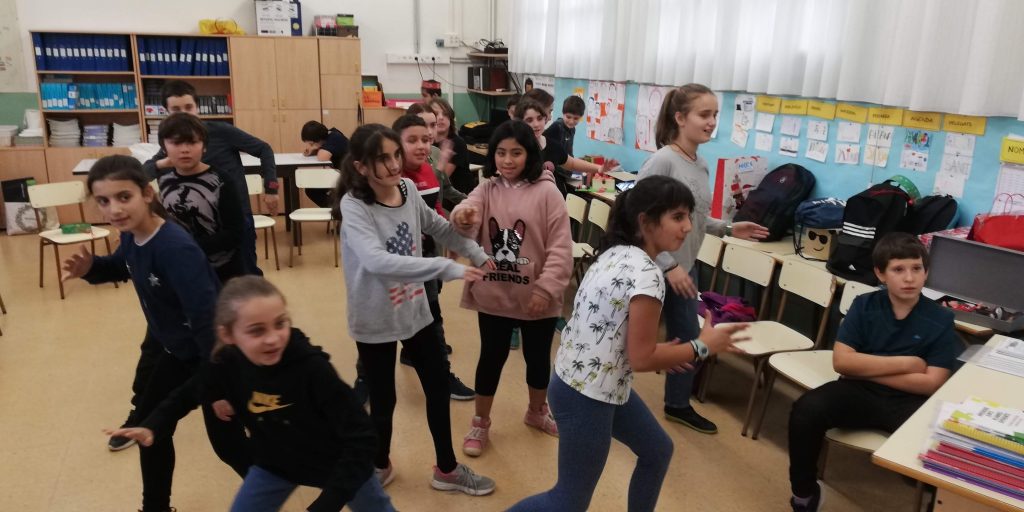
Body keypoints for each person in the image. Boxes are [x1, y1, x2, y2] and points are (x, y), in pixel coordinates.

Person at [508, 176, 748, 512]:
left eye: (689, 217)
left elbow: (624, 340)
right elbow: (642, 357)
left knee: (657, 450)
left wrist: (670, 354)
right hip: (587, 395)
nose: (687, 227)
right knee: (568, 501)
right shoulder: (648, 275)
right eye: (677, 217)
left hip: (589, 382)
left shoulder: (616, 252)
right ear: (646, 222)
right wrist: (703, 345)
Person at [109, 276, 397, 512]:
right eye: (257, 331)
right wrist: (153, 425)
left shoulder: (312, 369)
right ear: (228, 335)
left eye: (280, 323)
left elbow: (363, 437)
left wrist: (325, 505)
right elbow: (188, 393)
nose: (272, 338)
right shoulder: (225, 363)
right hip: (275, 463)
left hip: (338, 462)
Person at [63, 155, 249, 512]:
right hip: (178, 352)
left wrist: (219, 389)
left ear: (147, 194)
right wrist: (92, 268)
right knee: (150, 429)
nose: (115, 209)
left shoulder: (176, 248)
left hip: (213, 357)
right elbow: (122, 265)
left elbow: (208, 321)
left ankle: (272, 487)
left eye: (124, 197)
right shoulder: (133, 235)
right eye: (104, 201)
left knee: (229, 446)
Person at [334, 123, 496, 496]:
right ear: (361, 166)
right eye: (383, 159)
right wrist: (443, 267)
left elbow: (440, 228)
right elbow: (377, 261)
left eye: (396, 155)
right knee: (383, 399)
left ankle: (447, 469)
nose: (394, 165)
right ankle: (380, 464)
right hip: (374, 315)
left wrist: (476, 254)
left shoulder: (407, 190)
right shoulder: (354, 205)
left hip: (415, 309)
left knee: (437, 387)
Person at [787, 233, 960, 512]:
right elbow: (842, 363)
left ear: (926, 272)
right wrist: (908, 363)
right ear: (880, 274)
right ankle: (804, 493)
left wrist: (863, 370)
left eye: (917, 269)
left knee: (943, 447)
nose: (909, 278)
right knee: (805, 411)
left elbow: (932, 383)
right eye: (898, 269)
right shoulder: (864, 305)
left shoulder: (941, 319)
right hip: (859, 392)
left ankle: (936, 505)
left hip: (909, 401)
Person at [637, 83, 769, 434]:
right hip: (653, 270)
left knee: (686, 336)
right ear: (680, 118)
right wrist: (669, 265)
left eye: (715, 115)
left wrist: (728, 229)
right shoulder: (664, 160)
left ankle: (678, 404)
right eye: (704, 114)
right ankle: (603, 396)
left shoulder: (701, 164)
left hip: (684, 269)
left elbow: (692, 217)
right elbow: (636, 216)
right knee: (632, 339)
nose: (711, 122)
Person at [449, 120, 573, 457]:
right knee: (491, 357)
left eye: (516, 153)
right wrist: (462, 216)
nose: (507, 160)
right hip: (495, 294)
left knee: (537, 358)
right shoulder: (487, 188)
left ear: (529, 154)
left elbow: (561, 249)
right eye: (501, 152)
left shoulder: (548, 193)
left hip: (536, 297)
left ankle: (536, 411)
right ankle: (480, 421)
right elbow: (467, 213)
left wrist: (546, 290)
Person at [142, 80, 276, 276]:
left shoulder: (220, 131)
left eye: (189, 107)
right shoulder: (172, 145)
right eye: (176, 109)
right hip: (195, 228)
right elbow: (141, 175)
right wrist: (162, 163)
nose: (184, 113)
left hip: (235, 218)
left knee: (245, 274)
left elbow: (264, 149)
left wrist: (271, 188)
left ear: (197, 107)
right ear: (166, 112)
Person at [389, 114, 475, 401]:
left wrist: (451, 235)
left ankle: (437, 371)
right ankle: (366, 377)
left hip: (427, 257)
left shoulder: (429, 171)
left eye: (426, 139)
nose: (422, 145)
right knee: (390, 321)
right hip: (398, 263)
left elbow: (435, 209)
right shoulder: (393, 177)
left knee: (431, 315)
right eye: (412, 140)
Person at [156, 113, 247, 283]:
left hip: (222, 271)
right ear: (163, 147)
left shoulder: (222, 180)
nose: (185, 149)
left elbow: (236, 232)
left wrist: (187, 246)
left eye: (192, 142)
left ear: (204, 146)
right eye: (176, 143)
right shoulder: (163, 180)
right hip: (180, 268)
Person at [515, 99, 618, 197]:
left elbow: (571, 163)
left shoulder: (552, 145)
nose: (536, 124)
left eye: (540, 118)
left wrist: (599, 168)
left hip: (551, 198)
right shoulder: (516, 147)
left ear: (545, 119)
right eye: (529, 120)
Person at [426, 97, 477, 196]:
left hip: (458, 199)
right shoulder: (429, 143)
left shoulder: (456, 143)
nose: (441, 117)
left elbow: (441, 180)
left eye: (445, 114)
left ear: (450, 118)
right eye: (436, 114)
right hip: (439, 195)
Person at [300, 120, 349, 207]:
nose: (310, 147)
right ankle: (338, 208)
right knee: (312, 190)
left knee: (313, 191)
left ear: (318, 139)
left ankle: (338, 209)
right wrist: (313, 149)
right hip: (342, 175)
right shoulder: (328, 136)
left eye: (311, 144)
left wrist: (313, 149)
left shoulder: (335, 137)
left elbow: (322, 157)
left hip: (351, 178)